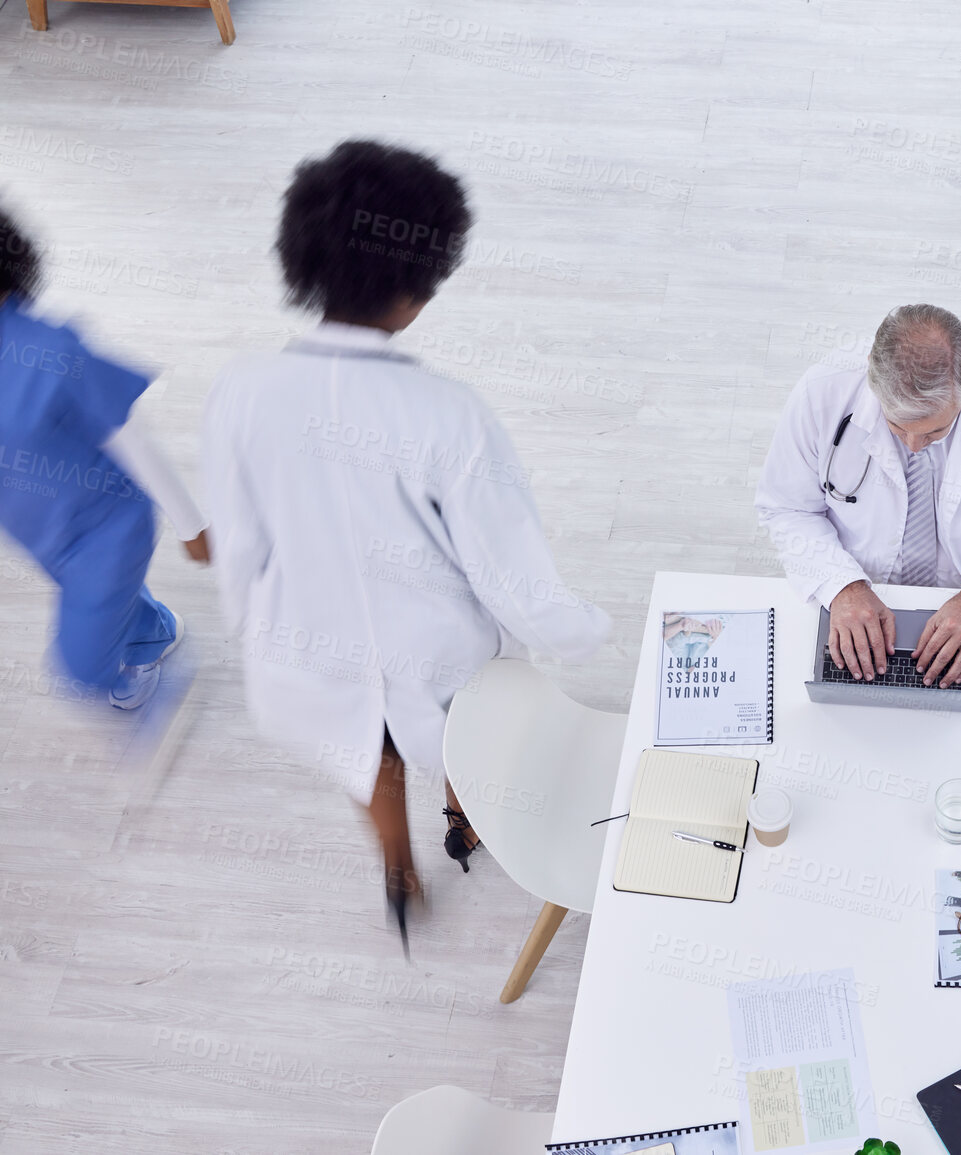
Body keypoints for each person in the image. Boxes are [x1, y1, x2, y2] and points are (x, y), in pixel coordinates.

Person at [202, 141, 610, 946]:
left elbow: (237, 545)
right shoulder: (444, 413)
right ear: (420, 288)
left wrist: (257, 628)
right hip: (437, 657)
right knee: (466, 732)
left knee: (365, 756)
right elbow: (510, 576)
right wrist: (586, 631)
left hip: (307, 647)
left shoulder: (241, 392)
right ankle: (467, 817)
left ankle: (399, 868)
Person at [755, 304, 961, 689]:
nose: (913, 446)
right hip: (861, 598)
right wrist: (841, 586)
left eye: (933, 432)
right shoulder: (821, 394)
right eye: (896, 425)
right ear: (870, 377)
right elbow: (788, 509)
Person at [0, 200, 208, 709]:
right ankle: (153, 632)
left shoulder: (51, 352)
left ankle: (153, 704)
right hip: (43, 532)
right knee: (108, 603)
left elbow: (130, 436)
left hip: (106, 528)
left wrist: (190, 524)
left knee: (79, 664)